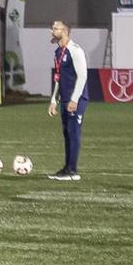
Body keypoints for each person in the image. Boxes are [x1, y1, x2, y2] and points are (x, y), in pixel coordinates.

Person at [47, 19, 89, 181]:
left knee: (73, 132)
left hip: (76, 99)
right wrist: (53, 100)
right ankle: (67, 168)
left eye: (55, 28)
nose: (52, 31)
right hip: (65, 99)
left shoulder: (75, 50)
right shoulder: (58, 52)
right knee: (67, 133)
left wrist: (75, 99)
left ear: (64, 31)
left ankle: (73, 171)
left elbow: (83, 76)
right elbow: (58, 78)